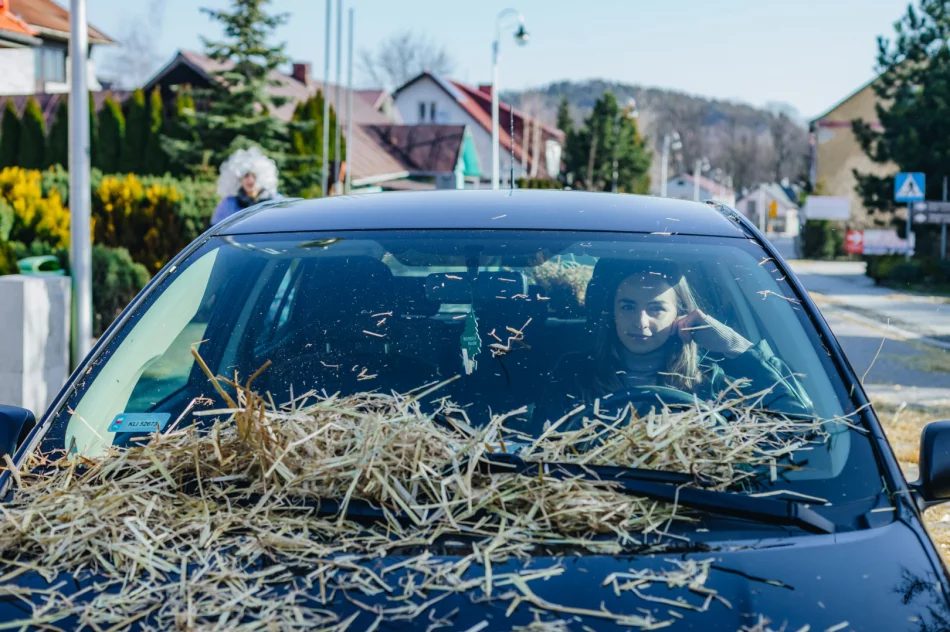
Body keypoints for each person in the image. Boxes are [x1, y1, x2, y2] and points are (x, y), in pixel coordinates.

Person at [535, 259, 811, 426]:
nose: (640, 322)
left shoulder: (710, 383)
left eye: (656, 309)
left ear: (681, 315)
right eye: (628, 307)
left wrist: (736, 347)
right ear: (613, 314)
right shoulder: (573, 376)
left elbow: (800, 420)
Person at [211, 147, 283, 225]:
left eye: (254, 176)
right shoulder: (229, 205)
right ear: (238, 179)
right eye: (246, 176)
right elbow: (216, 231)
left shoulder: (275, 201)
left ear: (262, 177)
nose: (250, 180)